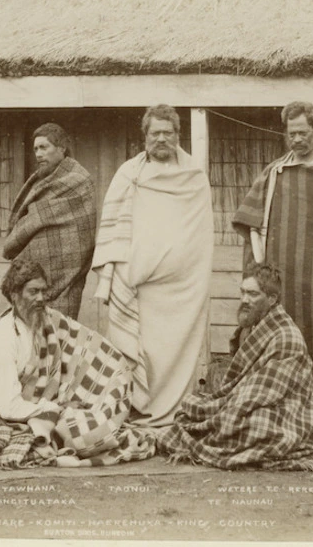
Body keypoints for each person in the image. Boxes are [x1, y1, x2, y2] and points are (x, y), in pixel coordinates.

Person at [0, 260, 155, 471]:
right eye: (33, 292)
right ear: (14, 295)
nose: (41, 298)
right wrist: (57, 408)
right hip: (16, 413)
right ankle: (51, 443)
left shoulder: (46, 321)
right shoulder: (3, 341)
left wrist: (118, 369)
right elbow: (9, 407)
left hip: (46, 405)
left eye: (43, 291)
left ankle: (54, 441)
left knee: (99, 420)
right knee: (89, 434)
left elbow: (86, 344)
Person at [92, 104, 214, 428]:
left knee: (175, 354)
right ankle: (133, 411)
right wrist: (124, 271)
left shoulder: (193, 177)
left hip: (180, 293)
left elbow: (199, 237)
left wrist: (182, 271)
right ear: (145, 136)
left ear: (178, 135)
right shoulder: (130, 174)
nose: (161, 138)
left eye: (168, 132)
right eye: (155, 132)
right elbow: (113, 225)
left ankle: (172, 412)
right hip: (137, 287)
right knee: (132, 349)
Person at [232, 101, 313, 437]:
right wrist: (260, 264)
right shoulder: (275, 172)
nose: (297, 139)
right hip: (277, 275)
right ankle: (273, 412)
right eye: (291, 133)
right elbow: (252, 221)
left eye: (303, 132)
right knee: (271, 338)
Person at [158, 264, 313, 470]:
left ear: (272, 299)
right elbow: (248, 384)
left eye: (253, 294)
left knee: (257, 425)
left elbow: (265, 391)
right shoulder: (255, 325)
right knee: (208, 411)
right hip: (261, 398)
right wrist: (226, 405)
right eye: (243, 292)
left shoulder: (286, 337)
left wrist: (227, 409)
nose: (245, 300)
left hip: (291, 408)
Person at [3, 123, 96, 319]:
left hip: (66, 275)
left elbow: (78, 231)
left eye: (44, 147)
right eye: (36, 148)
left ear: (61, 148)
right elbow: (31, 218)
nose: (38, 154)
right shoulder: (40, 180)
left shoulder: (78, 180)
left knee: (57, 333)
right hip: (34, 275)